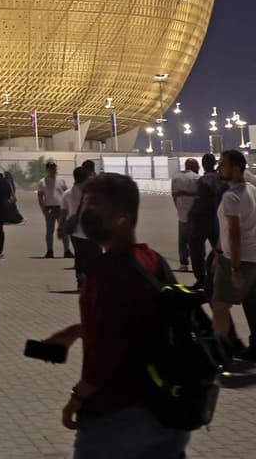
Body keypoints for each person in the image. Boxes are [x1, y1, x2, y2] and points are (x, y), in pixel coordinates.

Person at [41, 173, 190, 457]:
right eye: (85, 205)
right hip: (165, 411)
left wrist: (78, 397)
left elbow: (103, 354)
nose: (85, 214)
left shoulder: (106, 272)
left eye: (94, 206)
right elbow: (140, 320)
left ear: (122, 217)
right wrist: (77, 331)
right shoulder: (152, 259)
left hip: (118, 414)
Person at [210, 150, 256, 351]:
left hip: (237, 260)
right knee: (252, 304)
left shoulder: (231, 196)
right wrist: (218, 252)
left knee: (219, 305)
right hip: (251, 256)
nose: (219, 167)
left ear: (236, 170)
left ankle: (219, 353)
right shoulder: (252, 190)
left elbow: (234, 233)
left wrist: (235, 269)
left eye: (223, 164)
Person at [187, 153, 224, 290]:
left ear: (203, 164)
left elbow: (200, 203)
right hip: (217, 221)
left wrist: (191, 217)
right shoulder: (222, 179)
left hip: (202, 222)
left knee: (196, 251)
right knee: (219, 251)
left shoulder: (204, 181)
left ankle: (201, 280)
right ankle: (219, 278)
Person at [171, 158, 200, 273]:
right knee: (196, 240)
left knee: (182, 240)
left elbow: (173, 195)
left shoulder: (176, 177)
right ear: (193, 166)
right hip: (195, 214)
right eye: (197, 165)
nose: (198, 168)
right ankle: (199, 262)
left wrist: (178, 208)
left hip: (182, 213)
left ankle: (183, 263)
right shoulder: (196, 178)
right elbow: (200, 194)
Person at [37, 161, 71, 259]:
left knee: (64, 230)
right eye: (51, 168)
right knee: (49, 230)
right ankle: (50, 250)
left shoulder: (61, 180)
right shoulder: (42, 182)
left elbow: (66, 194)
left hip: (61, 208)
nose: (53, 170)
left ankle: (67, 250)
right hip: (50, 208)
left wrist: (67, 207)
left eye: (55, 168)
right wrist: (43, 210)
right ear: (47, 169)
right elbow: (40, 196)